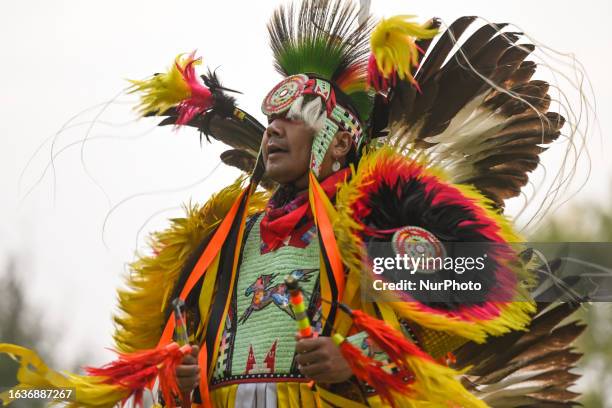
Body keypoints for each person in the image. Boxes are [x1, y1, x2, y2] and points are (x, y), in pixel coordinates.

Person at [0, 0, 586, 407]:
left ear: (332, 137)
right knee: (32, 392)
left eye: (291, 120)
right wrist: (178, 377)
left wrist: (353, 361)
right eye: (271, 120)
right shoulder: (221, 243)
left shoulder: (370, 234)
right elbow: (161, 363)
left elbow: (451, 335)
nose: (274, 130)